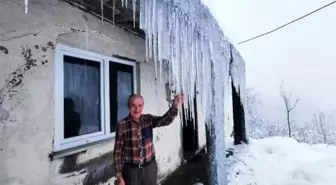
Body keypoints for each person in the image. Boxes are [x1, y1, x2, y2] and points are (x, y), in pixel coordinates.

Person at [113, 93, 184, 185]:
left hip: (149, 168)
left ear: (143, 106)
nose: (137, 109)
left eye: (140, 105)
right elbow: (117, 152)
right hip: (131, 171)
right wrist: (119, 176)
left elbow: (165, 120)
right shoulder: (122, 125)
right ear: (128, 107)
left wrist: (174, 106)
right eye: (133, 105)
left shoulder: (148, 119)